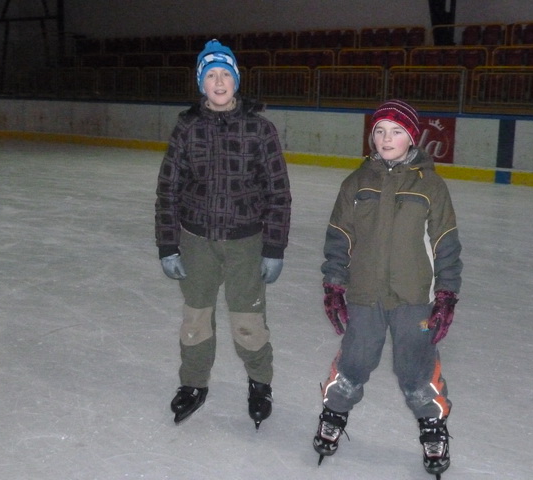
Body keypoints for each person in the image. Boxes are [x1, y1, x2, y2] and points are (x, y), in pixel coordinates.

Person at [312, 100, 462, 476]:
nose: (386, 138)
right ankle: (333, 414)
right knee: (355, 361)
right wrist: (334, 284)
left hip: (414, 295)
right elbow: (339, 238)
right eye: (379, 131)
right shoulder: (356, 183)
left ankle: (433, 428)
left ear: (411, 136)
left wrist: (446, 293)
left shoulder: (431, 186)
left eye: (396, 131)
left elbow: (446, 243)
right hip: (365, 292)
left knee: (415, 367)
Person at [155, 39, 292, 429]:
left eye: (225, 74)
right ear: (201, 83)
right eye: (211, 75)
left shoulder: (260, 130)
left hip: (245, 243)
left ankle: (260, 383)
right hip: (195, 241)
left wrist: (274, 247)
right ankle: (193, 383)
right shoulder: (187, 128)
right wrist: (168, 244)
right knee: (195, 319)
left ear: (236, 81)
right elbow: (168, 189)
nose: (218, 82)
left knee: (248, 321)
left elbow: (278, 192)